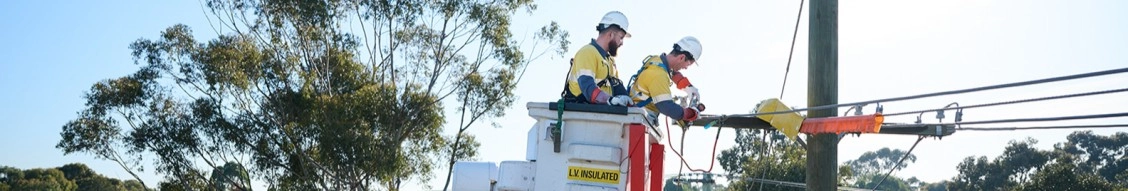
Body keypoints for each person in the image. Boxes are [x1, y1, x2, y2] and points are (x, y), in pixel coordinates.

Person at [560, 11, 633, 106]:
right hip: (580, 112)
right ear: (611, 34)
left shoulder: (610, 61)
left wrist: (634, 108)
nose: (622, 43)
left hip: (599, 113)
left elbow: (618, 89)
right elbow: (588, 88)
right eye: (621, 37)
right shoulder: (587, 52)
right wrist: (610, 100)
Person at [628, 36, 706, 122]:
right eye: (687, 64)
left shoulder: (656, 61)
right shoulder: (658, 74)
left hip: (637, 116)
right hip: (639, 119)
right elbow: (666, 107)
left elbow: (671, 72)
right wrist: (691, 113)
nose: (686, 68)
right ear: (681, 57)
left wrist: (688, 86)